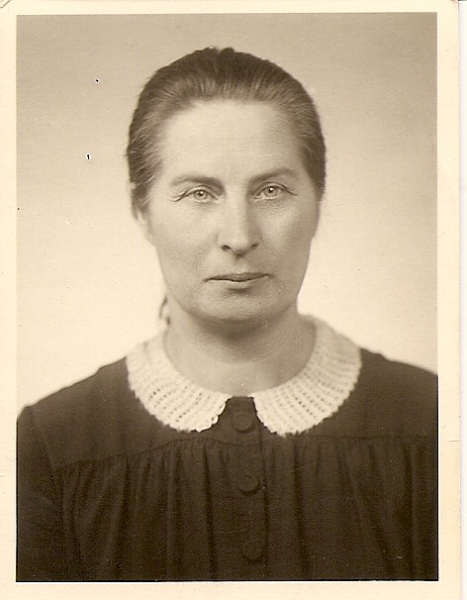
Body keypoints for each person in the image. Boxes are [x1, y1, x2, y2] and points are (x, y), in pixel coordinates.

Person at [17, 47, 437, 582]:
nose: (239, 236)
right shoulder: (53, 444)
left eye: (271, 190)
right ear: (142, 211)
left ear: (318, 202)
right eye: (200, 193)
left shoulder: (432, 419)